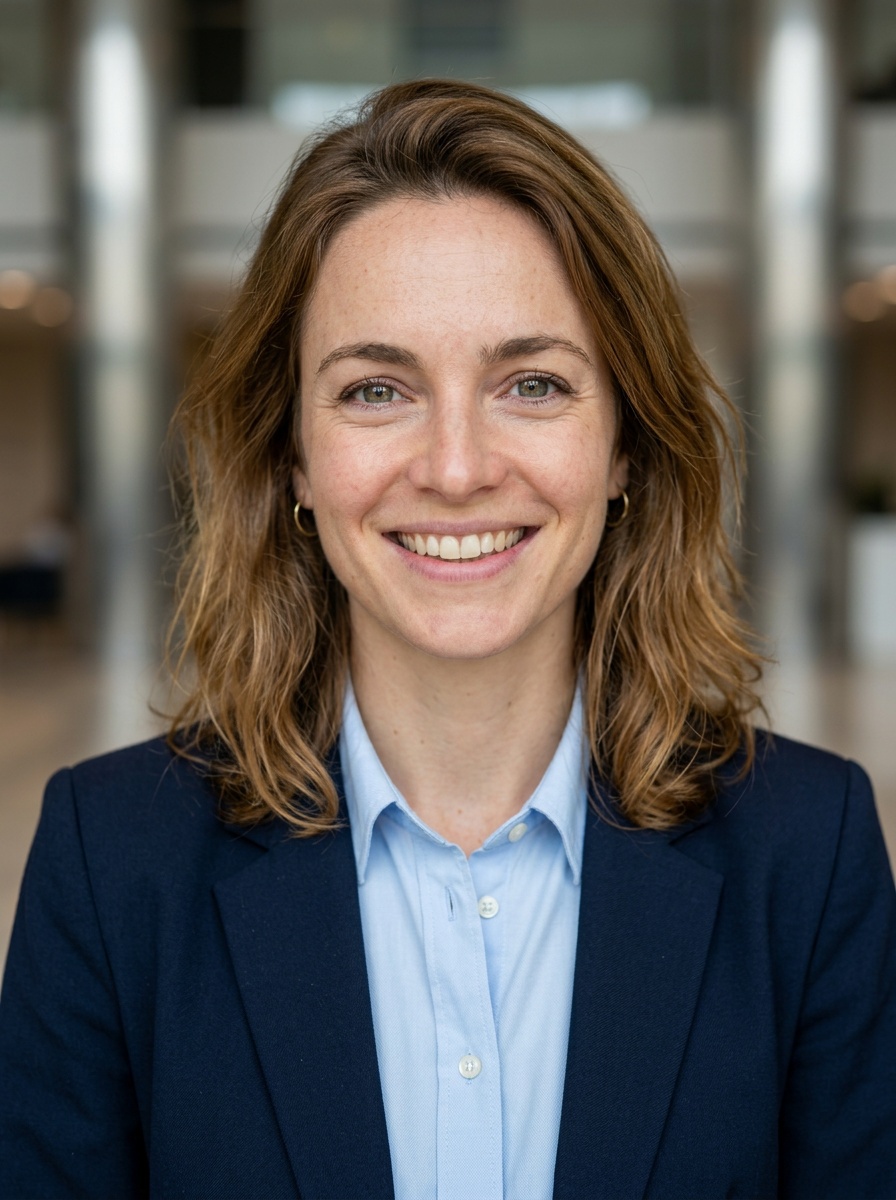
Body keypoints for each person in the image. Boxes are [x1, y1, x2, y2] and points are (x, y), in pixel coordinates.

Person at [1, 78, 894, 1200]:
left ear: (624, 445)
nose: (458, 467)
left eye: (531, 384)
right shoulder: (110, 862)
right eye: (377, 390)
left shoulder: (806, 857)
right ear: (291, 459)